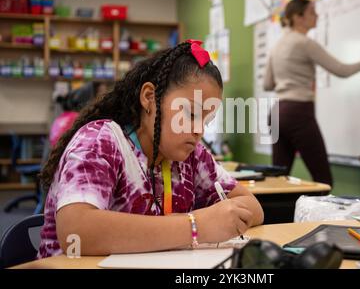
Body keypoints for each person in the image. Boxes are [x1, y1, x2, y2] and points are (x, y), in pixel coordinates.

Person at [37, 40, 264, 258]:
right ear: (149, 97)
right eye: (190, 113)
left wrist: (214, 219)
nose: (199, 130)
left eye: (206, 119)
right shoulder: (101, 141)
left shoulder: (191, 156)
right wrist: (195, 226)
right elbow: (76, 232)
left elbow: (254, 208)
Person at [264, 0, 360, 186]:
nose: (317, 15)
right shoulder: (304, 43)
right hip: (298, 113)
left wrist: (289, 78)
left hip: (278, 113)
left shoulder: (277, 45)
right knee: (323, 181)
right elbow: (342, 70)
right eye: (312, 12)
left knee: (278, 180)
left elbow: (267, 84)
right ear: (297, 17)